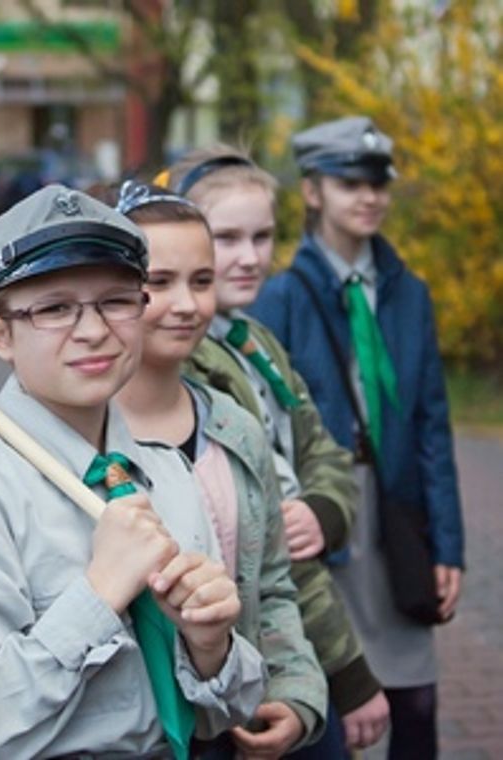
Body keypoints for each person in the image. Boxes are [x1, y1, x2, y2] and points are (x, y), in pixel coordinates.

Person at [0, 185, 267, 759]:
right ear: (0, 335)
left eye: (116, 301)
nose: (93, 331)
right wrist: (99, 593)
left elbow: (224, 713)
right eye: (55, 308)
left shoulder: (165, 471)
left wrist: (211, 647)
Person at [248, 116, 465, 759]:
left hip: (395, 513)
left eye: (378, 183)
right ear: (313, 192)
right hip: (326, 513)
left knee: (417, 698)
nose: (369, 197)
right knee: (334, 698)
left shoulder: (409, 293)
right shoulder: (279, 296)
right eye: (350, 183)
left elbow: (431, 421)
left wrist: (446, 541)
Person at [163, 146, 390, 757]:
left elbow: (324, 449)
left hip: (293, 637)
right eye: (227, 238)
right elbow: (276, 547)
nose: (250, 257)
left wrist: (324, 508)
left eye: (262, 237)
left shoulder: (254, 338)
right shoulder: (187, 363)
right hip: (258, 644)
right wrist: (352, 676)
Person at [109, 182, 326, 758]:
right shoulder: (81, 442)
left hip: (234, 729)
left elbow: (273, 585)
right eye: (158, 282)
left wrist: (297, 693)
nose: (187, 304)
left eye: (201, 281)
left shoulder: (235, 428)